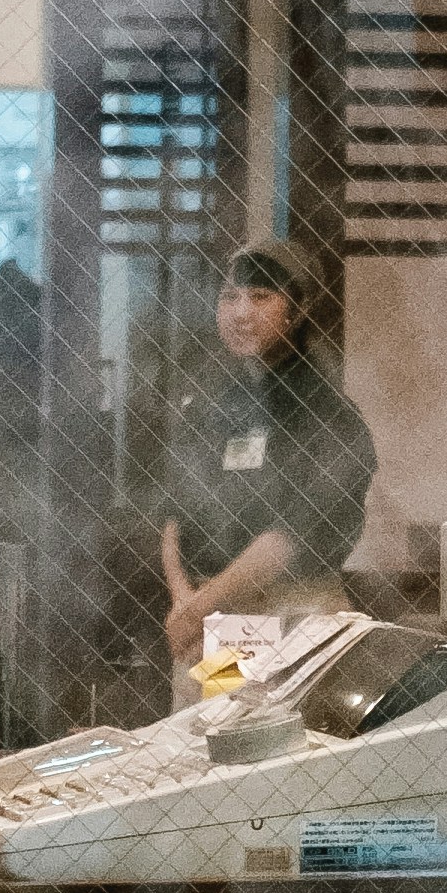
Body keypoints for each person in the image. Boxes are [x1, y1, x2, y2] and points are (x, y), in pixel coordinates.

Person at [157, 236, 376, 663]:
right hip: (207, 618)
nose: (240, 313)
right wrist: (183, 600)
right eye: (229, 296)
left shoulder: (326, 410)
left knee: (261, 726)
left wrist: (198, 610)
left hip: (289, 614)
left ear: (300, 307)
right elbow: (173, 512)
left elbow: (289, 538)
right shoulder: (214, 400)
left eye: (260, 297)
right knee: (209, 726)